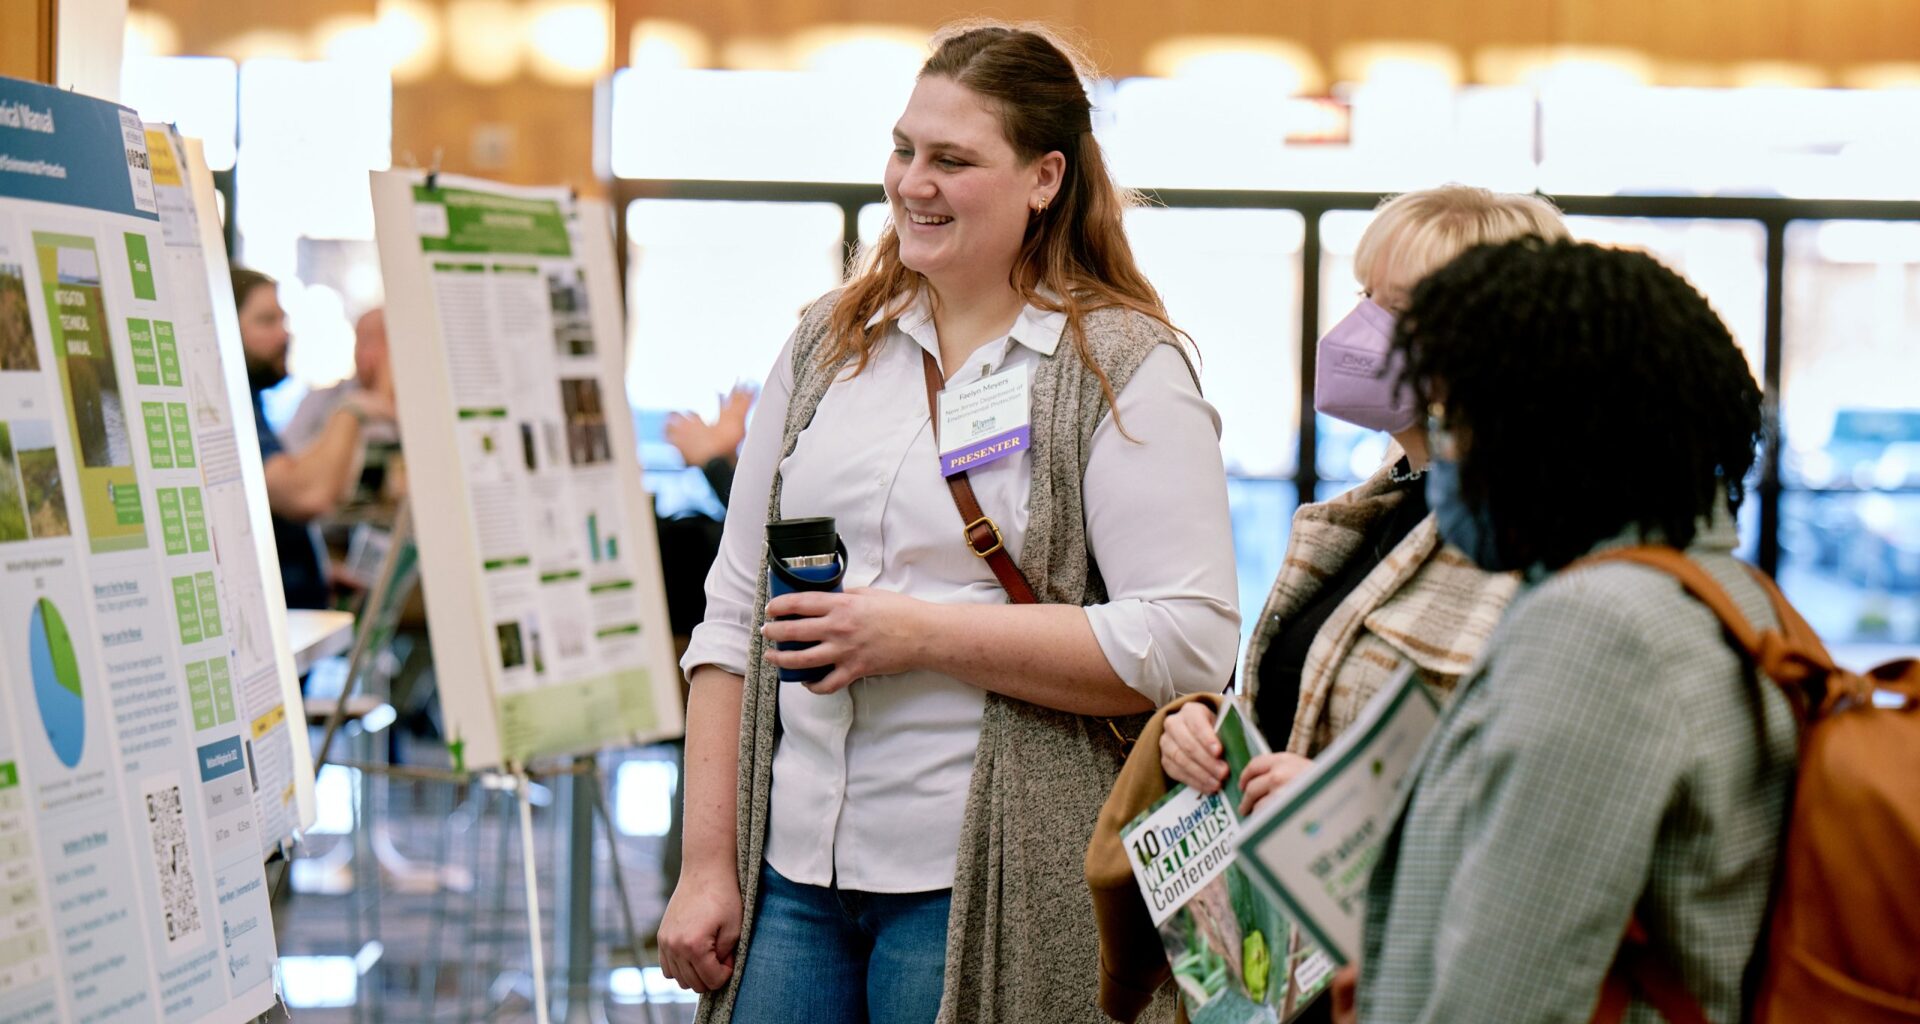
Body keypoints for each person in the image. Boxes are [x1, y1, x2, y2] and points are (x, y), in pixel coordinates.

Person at [660, 23, 1240, 1024]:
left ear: (1044, 177)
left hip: (985, 874)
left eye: (953, 160)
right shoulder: (830, 342)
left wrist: (917, 633)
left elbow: (1189, 638)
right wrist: (706, 863)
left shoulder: (1121, 365)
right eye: (904, 149)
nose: (912, 183)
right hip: (787, 875)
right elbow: (732, 615)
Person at [1352, 238, 1794, 1022]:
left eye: (1455, 420)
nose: (1441, 448)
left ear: (1546, 434)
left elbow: (1503, 996)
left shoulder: (1600, 634)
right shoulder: (1727, 591)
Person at [1157, 187, 1567, 818]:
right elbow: (1315, 699)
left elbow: (1537, 789)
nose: (1358, 330)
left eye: (1397, 309)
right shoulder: (1382, 506)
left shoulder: (1536, 542)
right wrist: (1211, 728)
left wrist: (1349, 803)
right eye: (1364, 297)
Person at [232, 269, 393, 610]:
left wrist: (316, 573)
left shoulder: (252, 406)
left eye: (283, 320)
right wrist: (352, 411)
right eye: (265, 321)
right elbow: (307, 494)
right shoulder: (229, 410)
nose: (283, 335)